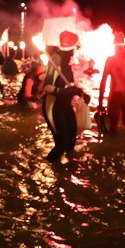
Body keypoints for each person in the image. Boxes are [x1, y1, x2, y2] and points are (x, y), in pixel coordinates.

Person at [41, 31, 89, 162]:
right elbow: (46, 87)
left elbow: (69, 86)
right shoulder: (56, 60)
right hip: (54, 106)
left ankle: (69, 171)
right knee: (62, 143)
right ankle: (49, 166)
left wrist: (80, 92)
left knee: (72, 140)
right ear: (70, 49)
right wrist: (62, 92)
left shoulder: (67, 63)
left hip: (66, 105)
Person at [98, 31, 125, 132]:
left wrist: (100, 103)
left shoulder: (110, 60)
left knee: (113, 127)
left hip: (115, 97)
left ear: (114, 45)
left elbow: (103, 82)